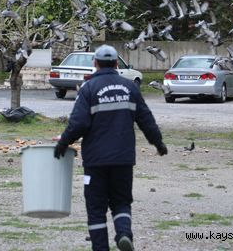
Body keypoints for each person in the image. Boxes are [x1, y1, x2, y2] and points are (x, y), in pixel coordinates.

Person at [54, 44, 167, 251]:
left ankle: (100, 248)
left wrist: (63, 143)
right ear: (116, 64)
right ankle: (123, 234)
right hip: (123, 159)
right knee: (121, 202)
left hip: (95, 161)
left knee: (96, 208)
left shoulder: (88, 89)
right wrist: (158, 142)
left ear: (95, 64)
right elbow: (146, 119)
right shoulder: (130, 87)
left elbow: (78, 123)